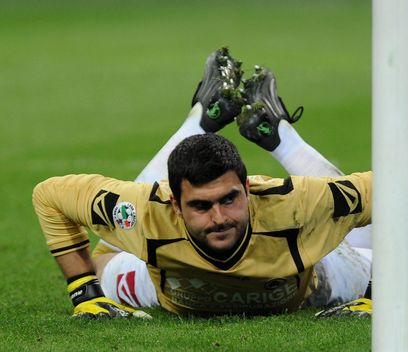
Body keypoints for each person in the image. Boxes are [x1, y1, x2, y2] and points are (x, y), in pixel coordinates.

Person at [32, 48, 373, 319]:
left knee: (373, 243)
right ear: (175, 205)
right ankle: (201, 118)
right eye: (200, 205)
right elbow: (49, 195)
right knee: (103, 262)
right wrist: (85, 296)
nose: (219, 217)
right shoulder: (147, 210)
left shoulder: (297, 203)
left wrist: (375, 298)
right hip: (166, 289)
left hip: (317, 280)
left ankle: (281, 137)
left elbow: (397, 193)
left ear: (248, 188)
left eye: (229, 199)